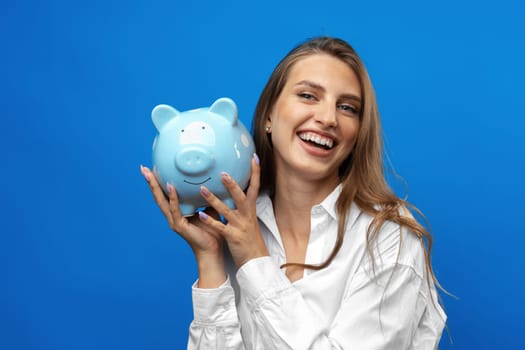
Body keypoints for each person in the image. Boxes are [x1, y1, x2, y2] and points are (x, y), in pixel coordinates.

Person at [140, 36, 446, 349]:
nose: (328, 118)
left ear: (358, 133)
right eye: (308, 95)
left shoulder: (386, 236)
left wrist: (255, 261)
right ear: (269, 116)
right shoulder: (233, 227)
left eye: (347, 107)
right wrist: (209, 259)